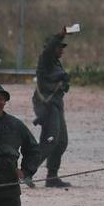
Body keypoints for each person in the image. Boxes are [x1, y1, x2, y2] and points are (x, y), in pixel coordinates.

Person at [25, 27, 72, 188]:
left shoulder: (55, 63)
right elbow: (49, 50)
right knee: (50, 140)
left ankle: (52, 177)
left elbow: (60, 84)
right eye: (59, 47)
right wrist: (60, 35)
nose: (61, 50)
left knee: (61, 141)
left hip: (55, 104)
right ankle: (27, 172)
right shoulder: (45, 59)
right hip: (46, 104)